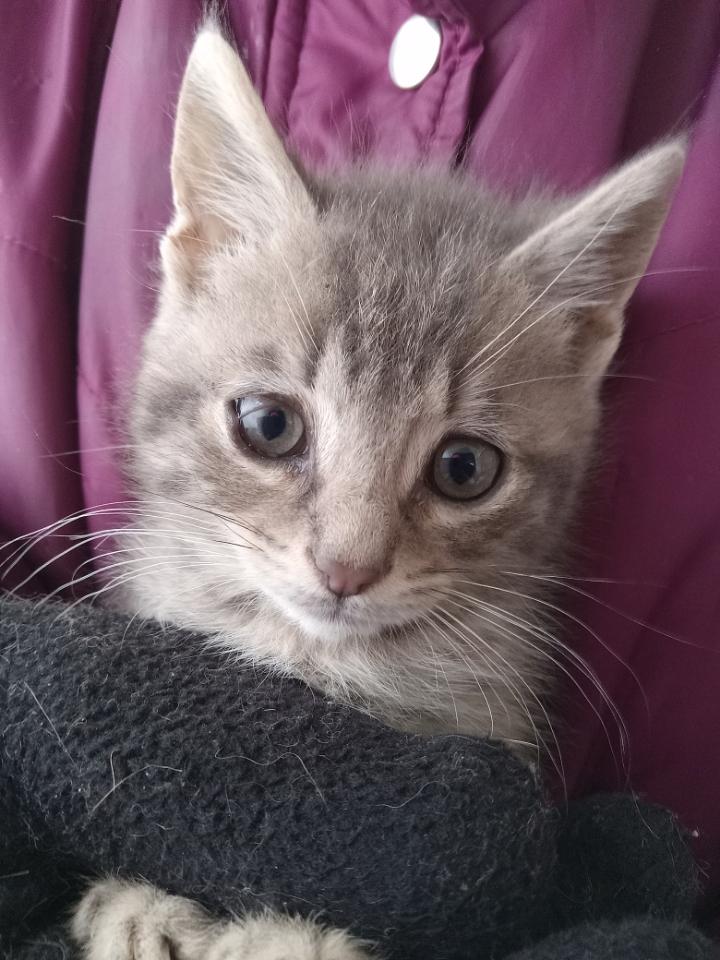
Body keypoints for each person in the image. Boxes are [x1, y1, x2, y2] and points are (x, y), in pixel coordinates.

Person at [1, 0, 719, 895]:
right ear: (208, 254)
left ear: (580, 337)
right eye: (275, 428)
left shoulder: (486, 694)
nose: (350, 557)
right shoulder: (118, 623)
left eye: (462, 470)